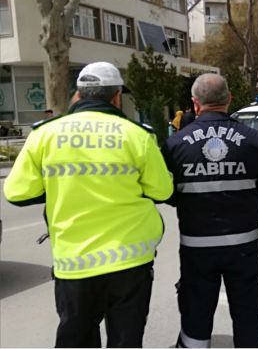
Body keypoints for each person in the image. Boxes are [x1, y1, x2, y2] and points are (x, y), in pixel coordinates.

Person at [3, 61, 173, 347]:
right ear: (117, 96)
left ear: (78, 94)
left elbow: (17, 193)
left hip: (75, 263)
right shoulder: (138, 135)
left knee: (76, 339)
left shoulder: (44, 134)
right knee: (126, 339)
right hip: (130, 261)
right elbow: (163, 191)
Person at [161, 73, 258, 348]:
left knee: (195, 318)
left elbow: (164, 191)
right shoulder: (253, 139)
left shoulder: (175, 144)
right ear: (229, 100)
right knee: (248, 318)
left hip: (196, 247)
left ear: (195, 103)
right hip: (243, 247)